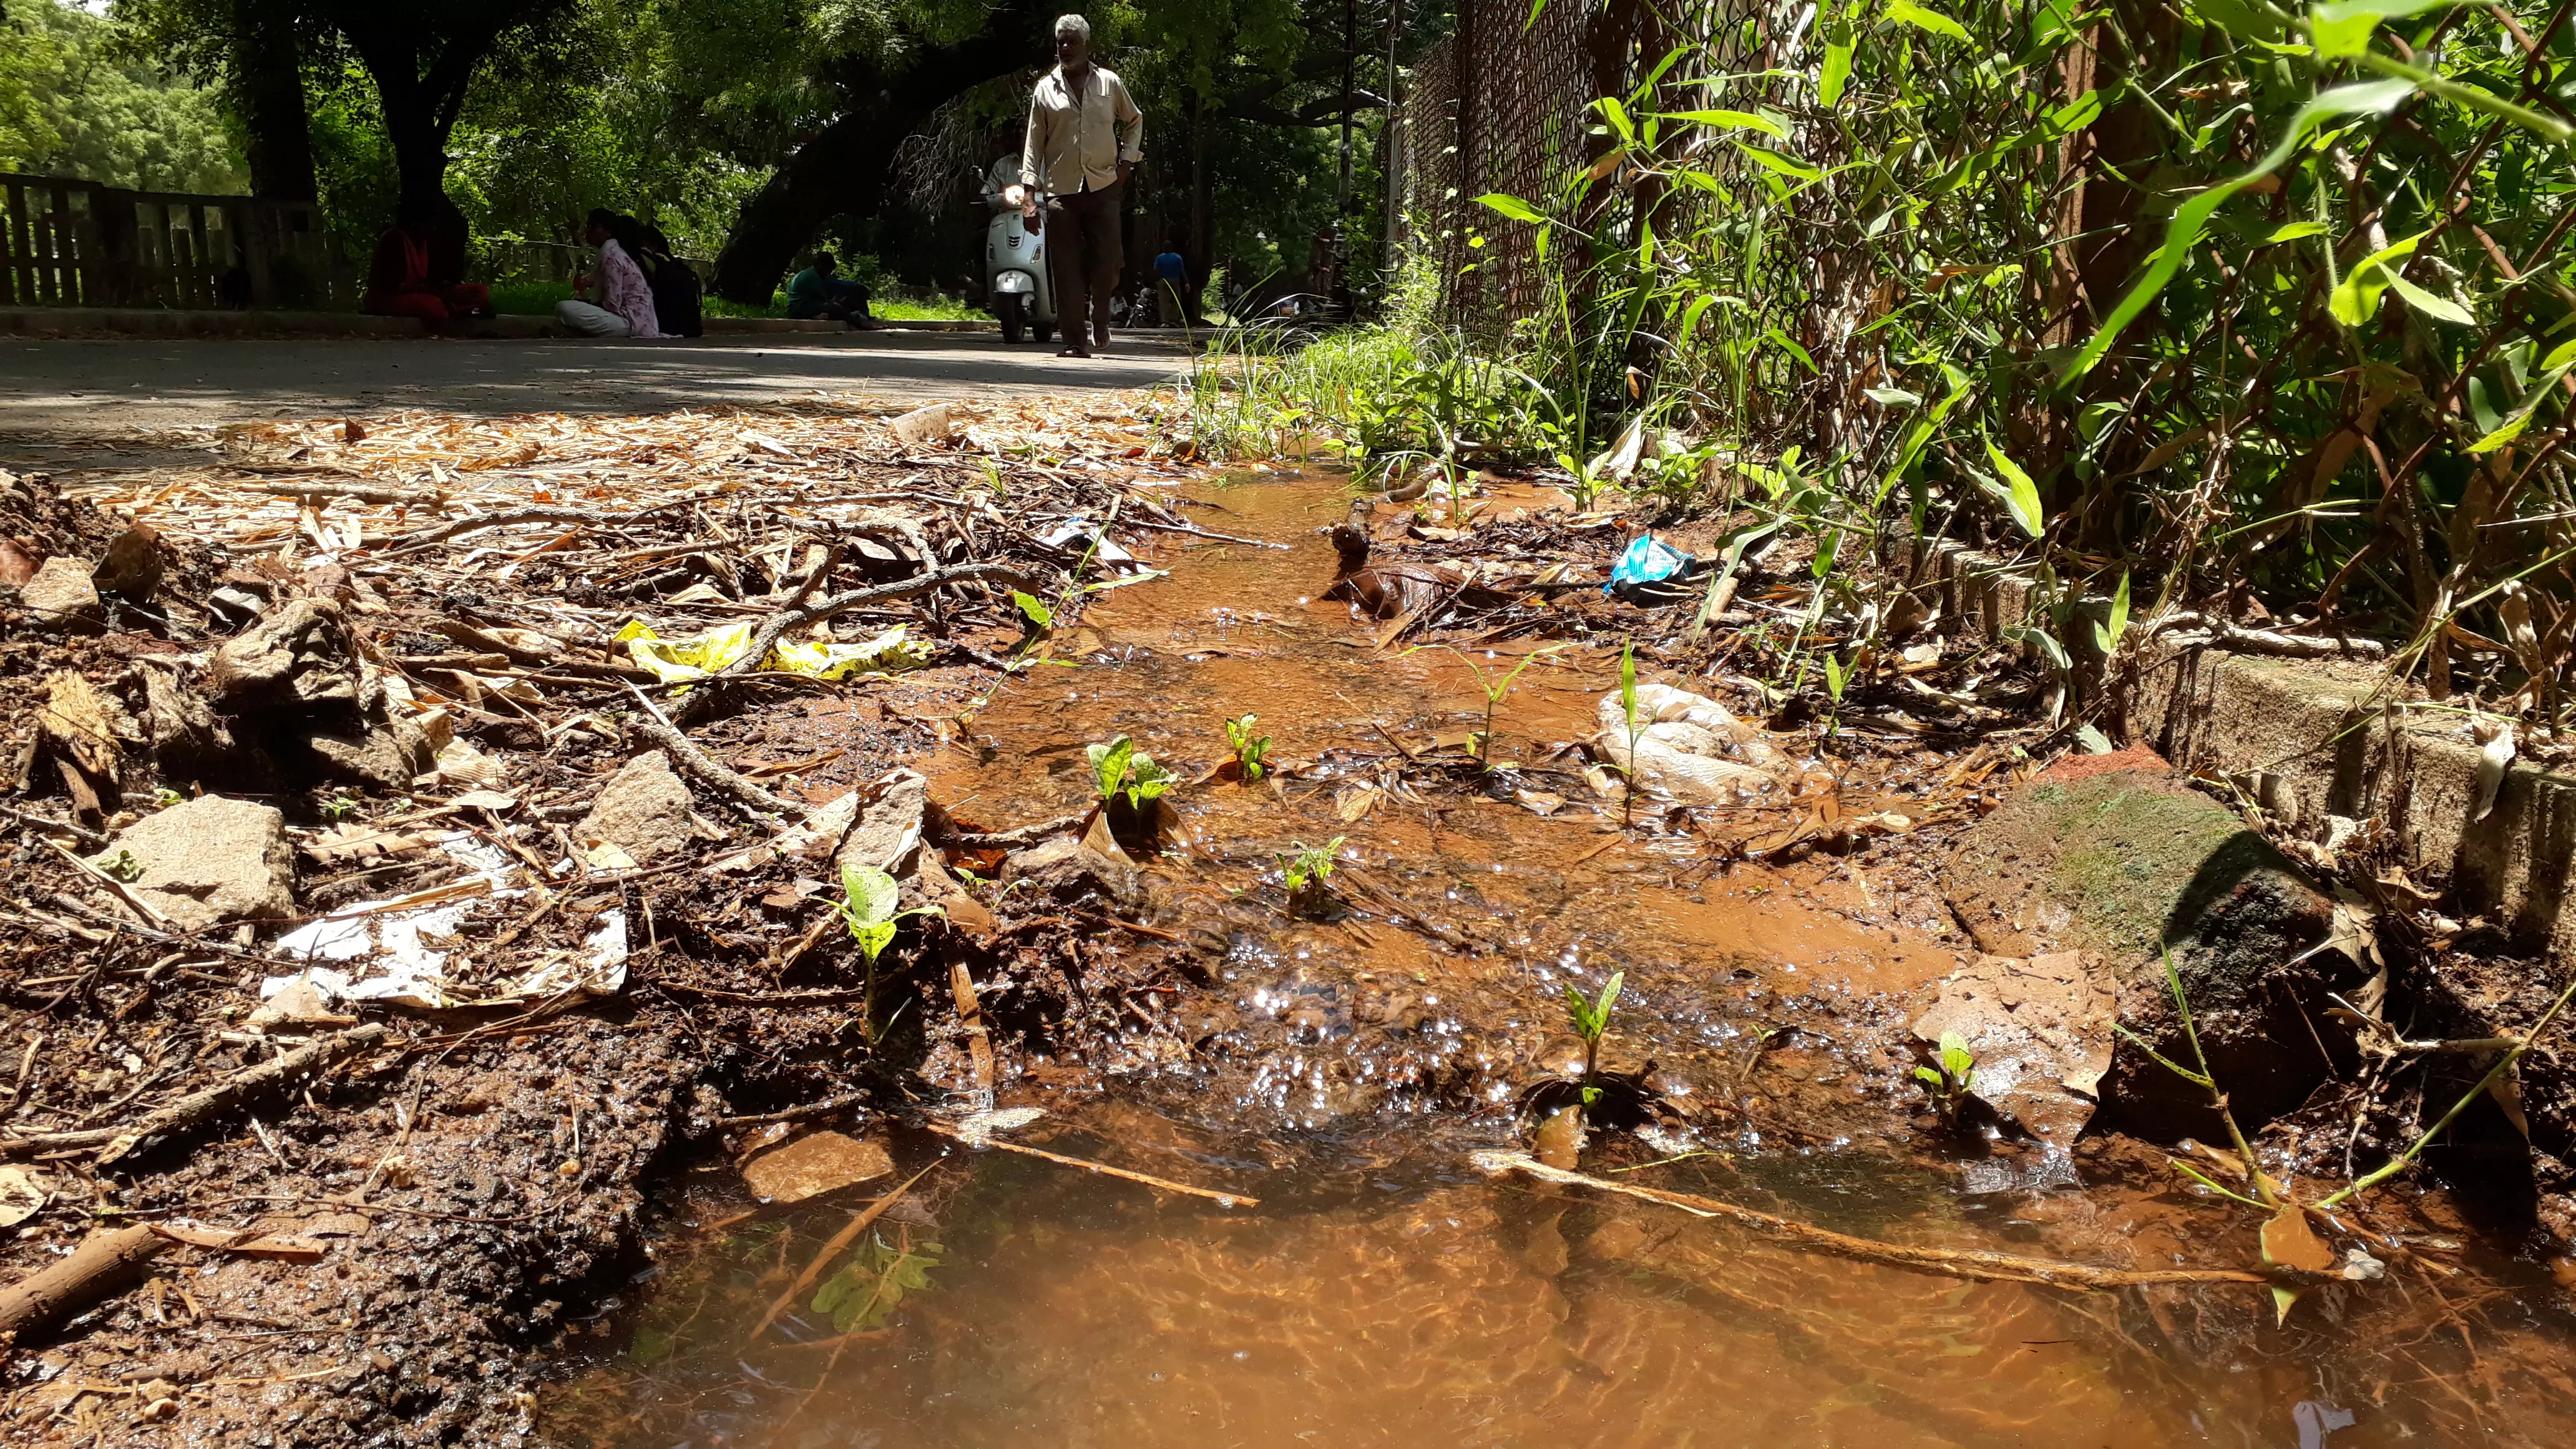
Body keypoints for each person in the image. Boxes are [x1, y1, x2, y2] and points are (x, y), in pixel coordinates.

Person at [1011, 13, 1142, 358]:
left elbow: (1134, 120)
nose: (1066, 48)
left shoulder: (1109, 83)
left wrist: (1126, 164)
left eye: (1073, 42)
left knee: (1109, 261)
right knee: (1066, 270)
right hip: (1061, 192)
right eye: (1061, 42)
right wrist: (1029, 196)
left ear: (1086, 45)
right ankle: (1074, 340)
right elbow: (1033, 144)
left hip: (1103, 186)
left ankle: (1101, 317)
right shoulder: (1044, 89)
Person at [362, 207, 492, 326]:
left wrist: (445, 289)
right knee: (434, 306)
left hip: (425, 293)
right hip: (389, 299)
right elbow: (391, 287)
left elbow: (435, 281)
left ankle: (456, 310)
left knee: (480, 291)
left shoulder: (425, 242)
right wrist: (433, 291)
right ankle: (455, 311)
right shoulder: (393, 239)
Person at [557, 209, 668, 338]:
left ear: (608, 232)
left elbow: (612, 305)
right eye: (587, 226)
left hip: (631, 323)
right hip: (637, 321)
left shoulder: (612, 258)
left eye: (593, 227)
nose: (587, 231)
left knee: (563, 307)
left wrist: (588, 304)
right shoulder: (614, 254)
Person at [786, 252, 879, 328]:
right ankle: (860, 323)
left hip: (803, 305)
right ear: (822, 267)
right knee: (835, 308)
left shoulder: (809, 274)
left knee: (835, 307)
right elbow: (824, 301)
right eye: (828, 271)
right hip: (799, 307)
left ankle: (819, 316)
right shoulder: (813, 277)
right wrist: (835, 303)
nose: (828, 274)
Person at [1152, 242, 1187, 327]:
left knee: (1163, 301)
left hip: (1163, 281)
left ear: (1163, 248)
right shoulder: (1177, 257)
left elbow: (1155, 269)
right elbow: (1182, 270)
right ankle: (1173, 319)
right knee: (1176, 300)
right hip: (1175, 280)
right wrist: (1187, 282)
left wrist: (1156, 280)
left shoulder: (1160, 258)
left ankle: (1164, 321)